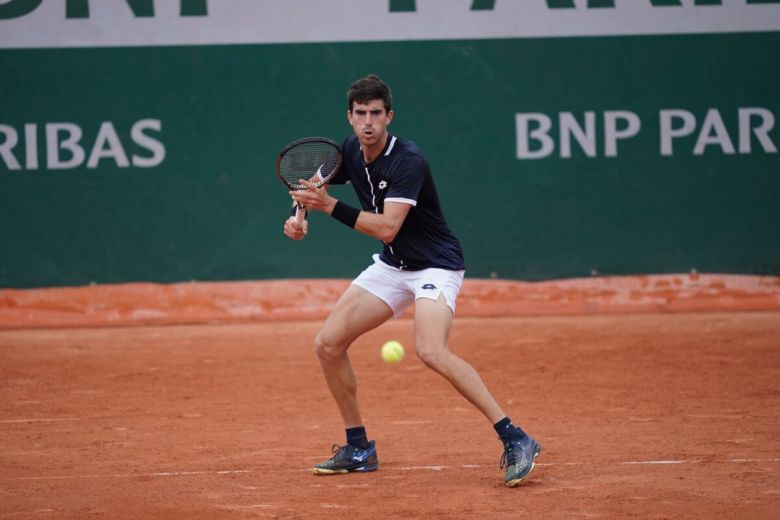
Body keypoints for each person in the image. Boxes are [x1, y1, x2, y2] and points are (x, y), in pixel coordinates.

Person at [283, 74, 540, 487]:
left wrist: (328, 206)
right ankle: (359, 447)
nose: (368, 122)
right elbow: (311, 186)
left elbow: (387, 227)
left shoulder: (408, 160)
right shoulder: (347, 150)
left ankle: (515, 436)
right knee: (328, 345)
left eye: (376, 114)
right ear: (349, 117)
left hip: (436, 265)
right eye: (361, 114)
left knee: (431, 350)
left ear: (389, 116)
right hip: (392, 267)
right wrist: (298, 219)